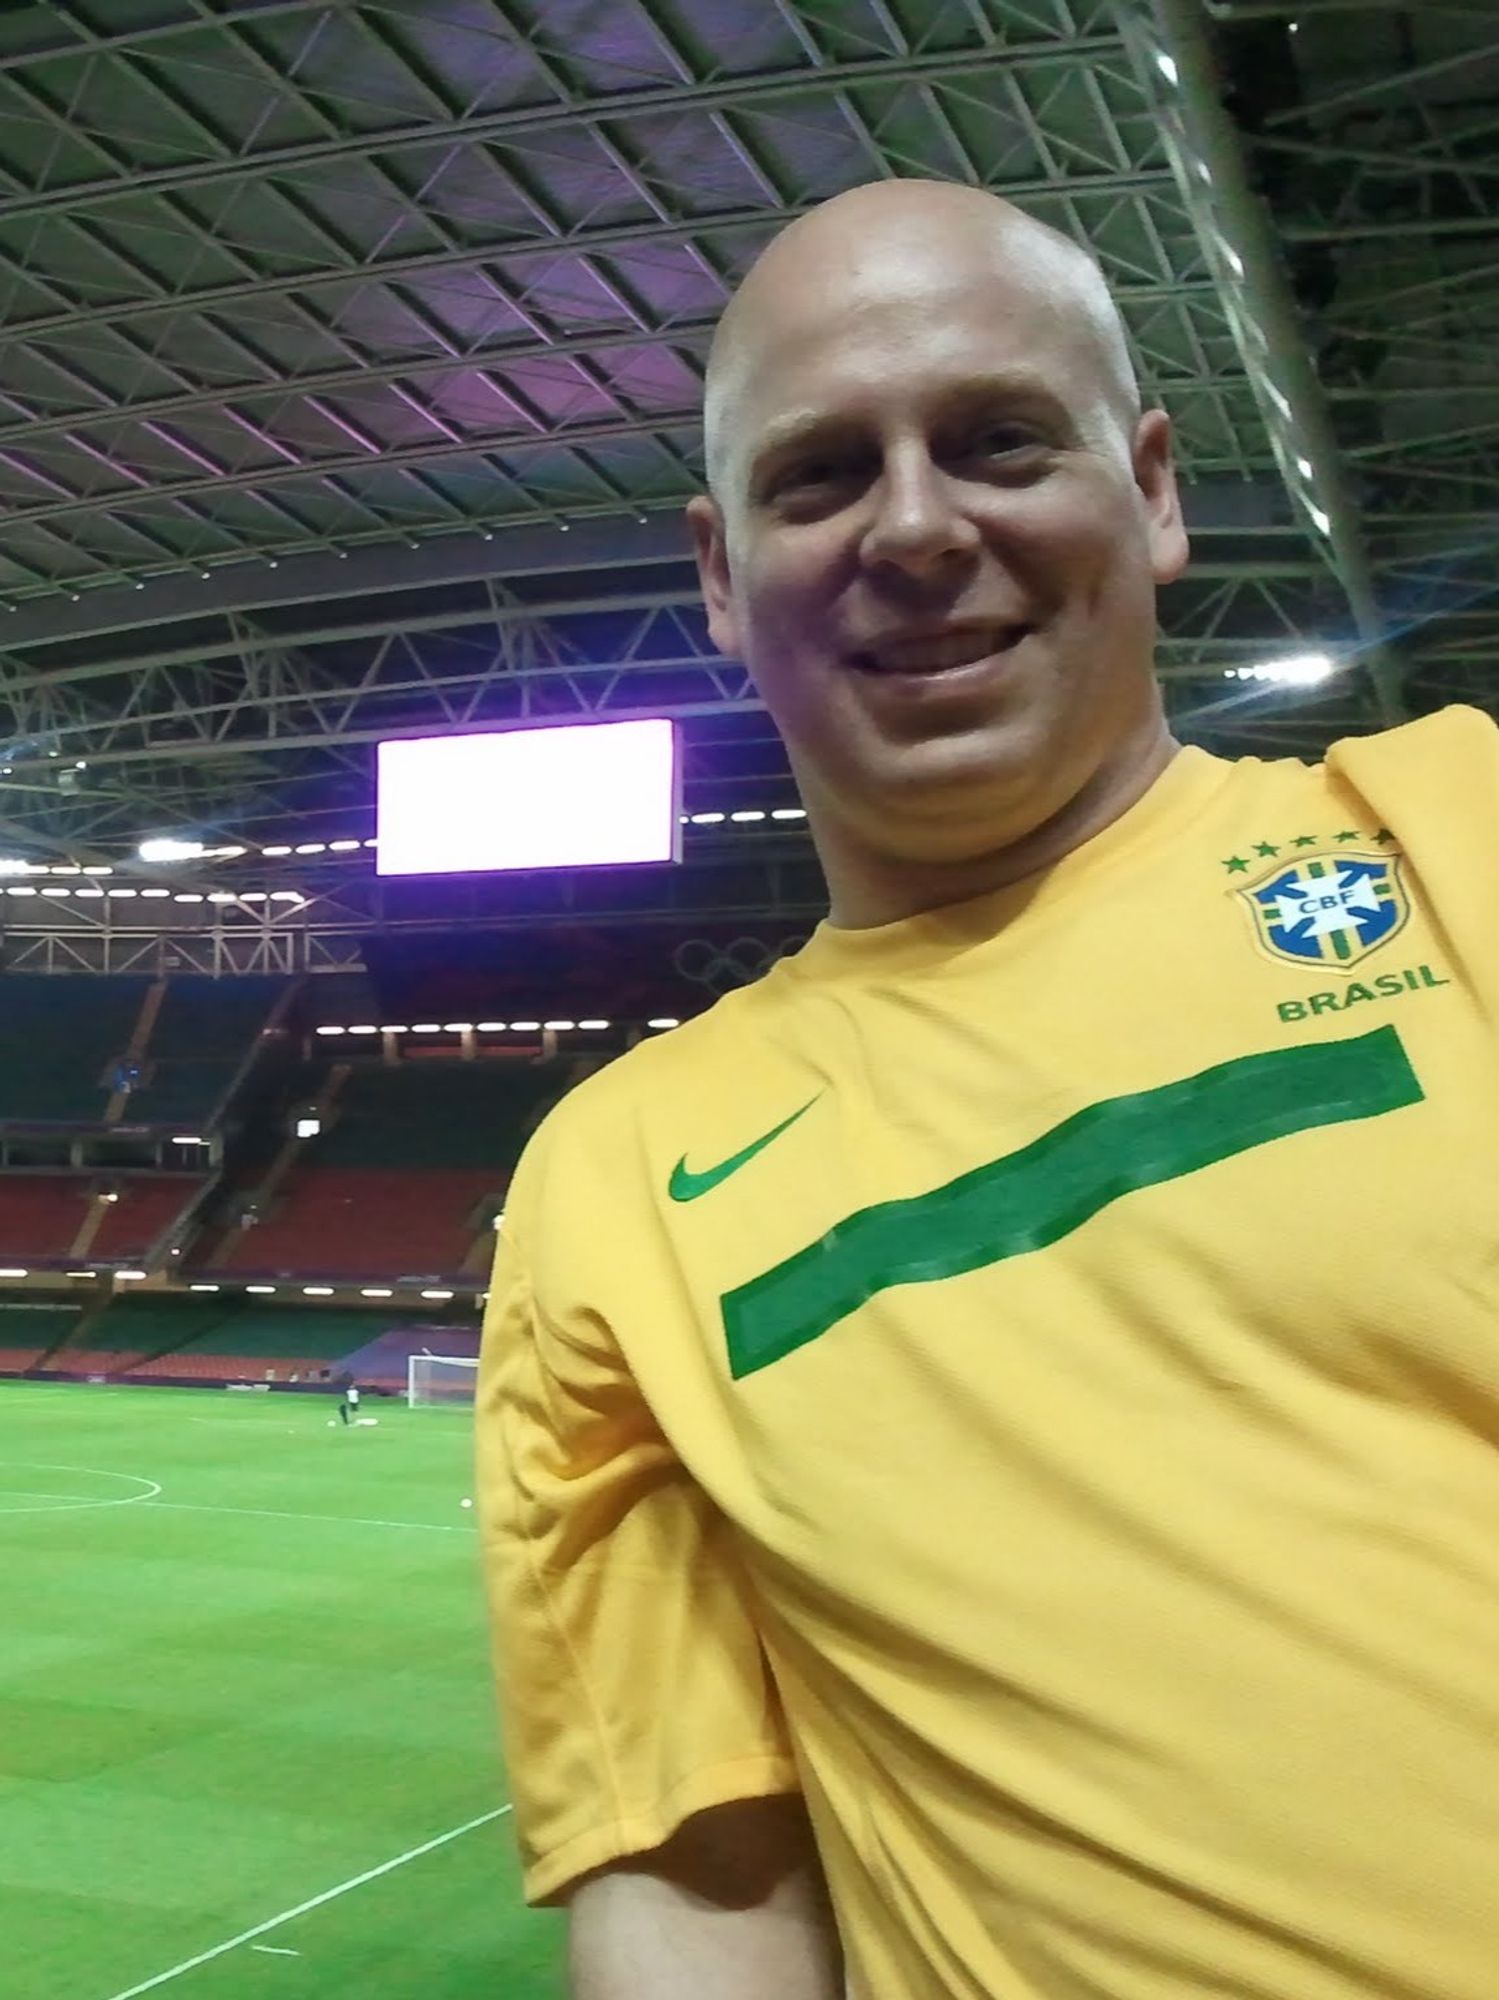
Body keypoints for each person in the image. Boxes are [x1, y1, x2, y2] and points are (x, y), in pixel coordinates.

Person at [476, 178, 1499, 2000]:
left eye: (998, 440)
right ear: (718, 573)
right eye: (821, 476)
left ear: (1155, 489)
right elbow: (701, 1879)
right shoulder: (614, 1182)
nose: (920, 525)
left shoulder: (1456, 840)